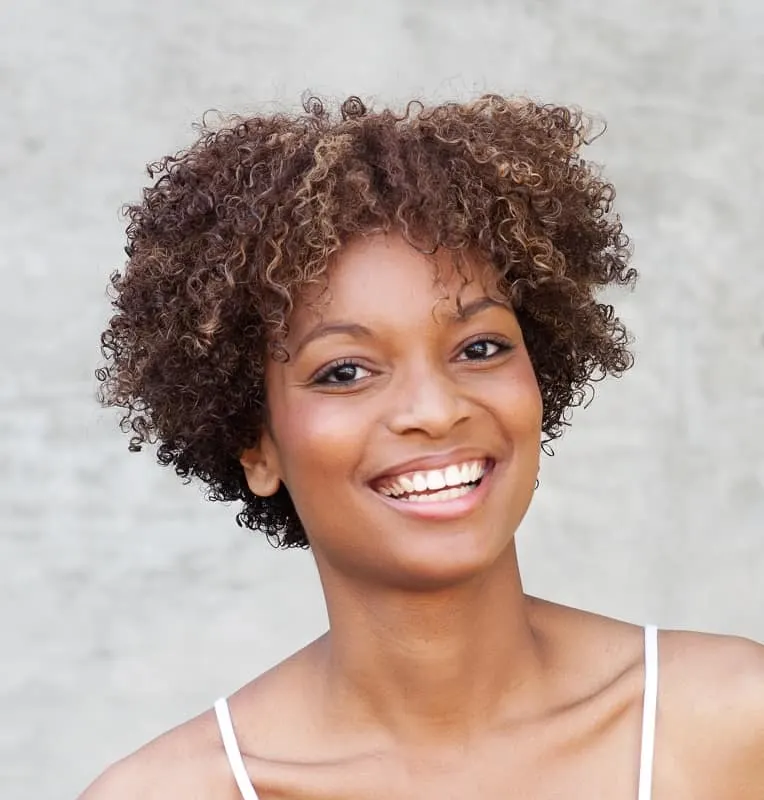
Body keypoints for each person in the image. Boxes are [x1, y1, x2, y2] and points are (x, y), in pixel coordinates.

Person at [82, 95, 763, 799]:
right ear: (255, 445)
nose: (435, 411)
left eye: (480, 347)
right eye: (344, 371)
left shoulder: (729, 724)